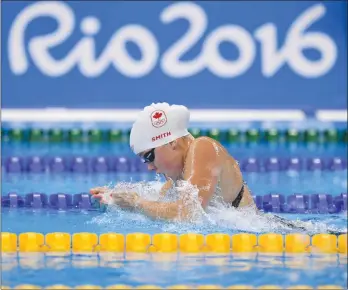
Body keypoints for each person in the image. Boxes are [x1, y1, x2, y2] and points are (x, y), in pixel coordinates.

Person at [90, 102, 256, 221]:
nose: (149, 166)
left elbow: (188, 213)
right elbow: (159, 206)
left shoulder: (203, 147)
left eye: (149, 157)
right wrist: (113, 199)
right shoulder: (178, 180)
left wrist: (136, 202)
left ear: (171, 143)